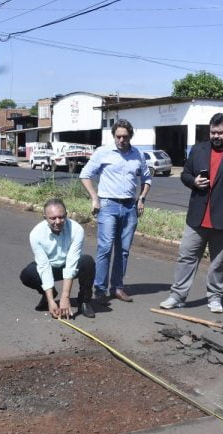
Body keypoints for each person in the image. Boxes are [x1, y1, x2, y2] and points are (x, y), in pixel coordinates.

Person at [159, 113, 223, 314]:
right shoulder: (198, 150)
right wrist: (193, 181)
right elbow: (185, 174)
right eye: (213, 132)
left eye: (220, 132)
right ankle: (177, 296)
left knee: (218, 262)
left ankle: (214, 297)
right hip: (197, 216)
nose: (216, 136)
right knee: (186, 257)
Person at [79, 119, 151, 304]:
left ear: (130, 136)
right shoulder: (103, 152)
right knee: (105, 247)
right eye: (118, 136)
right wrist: (94, 197)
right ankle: (100, 289)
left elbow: (147, 178)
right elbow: (85, 174)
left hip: (129, 207)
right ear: (113, 136)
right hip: (108, 205)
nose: (121, 140)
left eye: (125, 137)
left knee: (124, 250)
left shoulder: (138, 154)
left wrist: (141, 198)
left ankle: (117, 287)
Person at [19, 198, 96, 319]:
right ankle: (48, 294)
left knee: (87, 262)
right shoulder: (36, 234)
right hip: (50, 267)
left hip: (68, 265)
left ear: (66, 215)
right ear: (45, 218)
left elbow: (72, 263)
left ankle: (84, 301)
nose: (58, 221)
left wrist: (65, 298)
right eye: (53, 218)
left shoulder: (76, 230)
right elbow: (43, 266)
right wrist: (51, 301)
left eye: (61, 217)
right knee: (27, 274)